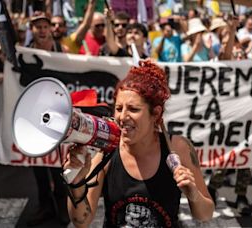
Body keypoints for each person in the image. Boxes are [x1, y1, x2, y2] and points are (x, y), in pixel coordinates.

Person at [65, 60, 215, 227]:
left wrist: (193, 193)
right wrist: (76, 185)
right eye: (119, 108)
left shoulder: (178, 148)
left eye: (133, 109)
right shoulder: (106, 149)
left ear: (155, 114)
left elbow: (206, 214)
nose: (122, 117)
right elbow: (82, 221)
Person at [25, 12, 69, 227]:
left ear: (51, 28)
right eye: (37, 26)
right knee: (39, 165)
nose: (41, 30)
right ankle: (45, 206)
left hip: (58, 116)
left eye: (45, 26)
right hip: (34, 118)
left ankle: (62, 205)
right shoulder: (24, 53)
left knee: (58, 164)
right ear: (31, 29)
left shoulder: (63, 52)